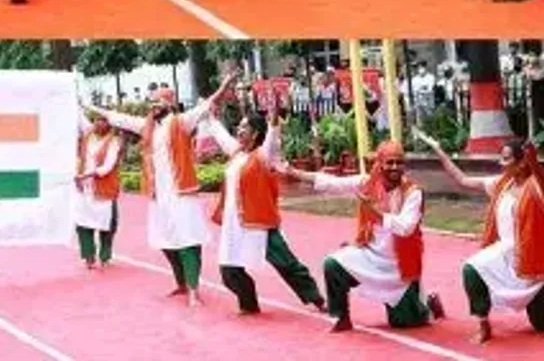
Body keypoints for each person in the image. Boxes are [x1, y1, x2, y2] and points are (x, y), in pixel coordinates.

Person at [85, 71, 240, 307]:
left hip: (182, 193)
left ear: (168, 104)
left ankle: (193, 289)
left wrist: (225, 84)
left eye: (157, 102)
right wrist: (91, 107)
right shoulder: (147, 126)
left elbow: (208, 104)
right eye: (152, 103)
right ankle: (180, 283)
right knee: (165, 241)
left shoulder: (181, 122)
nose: (153, 107)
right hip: (159, 195)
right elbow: (120, 118)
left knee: (188, 239)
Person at [280, 141, 444, 333]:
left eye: (399, 163)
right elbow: (331, 183)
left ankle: (429, 304)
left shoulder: (413, 193)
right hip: (369, 255)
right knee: (333, 264)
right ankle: (340, 317)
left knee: (405, 323)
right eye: (389, 162)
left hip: (399, 267)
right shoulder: (366, 183)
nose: (394, 167)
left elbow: (406, 227)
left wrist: (377, 214)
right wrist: (293, 172)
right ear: (380, 163)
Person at [416, 132, 544, 342]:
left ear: (522, 163)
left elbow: (540, 178)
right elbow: (462, 179)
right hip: (507, 253)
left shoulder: (536, 187)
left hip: (536, 259)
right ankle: (483, 324)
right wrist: (439, 150)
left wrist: (533, 161)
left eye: (506, 158)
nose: (500, 163)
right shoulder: (501, 184)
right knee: (472, 269)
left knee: (541, 326)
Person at [205, 108, 326, 314]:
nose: (240, 131)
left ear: (255, 134)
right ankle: (249, 303)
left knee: (287, 264)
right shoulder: (236, 153)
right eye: (239, 127)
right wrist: (209, 115)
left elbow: (272, 136)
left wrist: (274, 122)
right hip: (235, 223)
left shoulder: (263, 155)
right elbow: (220, 134)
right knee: (229, 270)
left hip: (260, 221)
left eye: (245, 127)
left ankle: (318, 300)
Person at [73, 104, 125, 270]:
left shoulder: (114, 141)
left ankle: (105, 256)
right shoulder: (88, 133)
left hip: (104, 187)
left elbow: (107, 167)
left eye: (104, 120)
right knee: (82, 223)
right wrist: (74, 98)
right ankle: (88, 256)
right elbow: (78, 116)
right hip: (85, 188)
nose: (99, 123)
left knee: (108, 224)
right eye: (97, 119)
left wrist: (87, 175)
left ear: (110, 123)